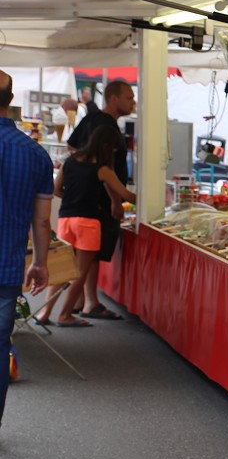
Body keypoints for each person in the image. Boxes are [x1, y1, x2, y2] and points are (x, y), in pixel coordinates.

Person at [36, 126, 136, 327]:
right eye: (115, 150)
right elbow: (127, 196)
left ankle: (43, 313)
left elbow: (56, 189)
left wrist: (72, 199)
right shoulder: (102, 169)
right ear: (107, 146)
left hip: (66, 220)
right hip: (88, 223)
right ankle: (64, 315)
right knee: (79, 273)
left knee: (62, 269)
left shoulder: (70, 161)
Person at [0, 70, 54, 429]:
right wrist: (41, 263)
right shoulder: (35, 155)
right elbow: (43, 222)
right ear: (11, 100)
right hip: (6, 268)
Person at [62, 79, 135, 320]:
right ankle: (89, 302)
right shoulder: (106, 127)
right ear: (113, 99)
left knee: (81, 256)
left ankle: (81, 301)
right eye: (128, 97)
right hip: (100, 201)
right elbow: (104, 167)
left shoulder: (91, 119)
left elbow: (72, 148)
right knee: (89, 253)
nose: (133, 102)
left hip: (81, 203)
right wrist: (114, 199)